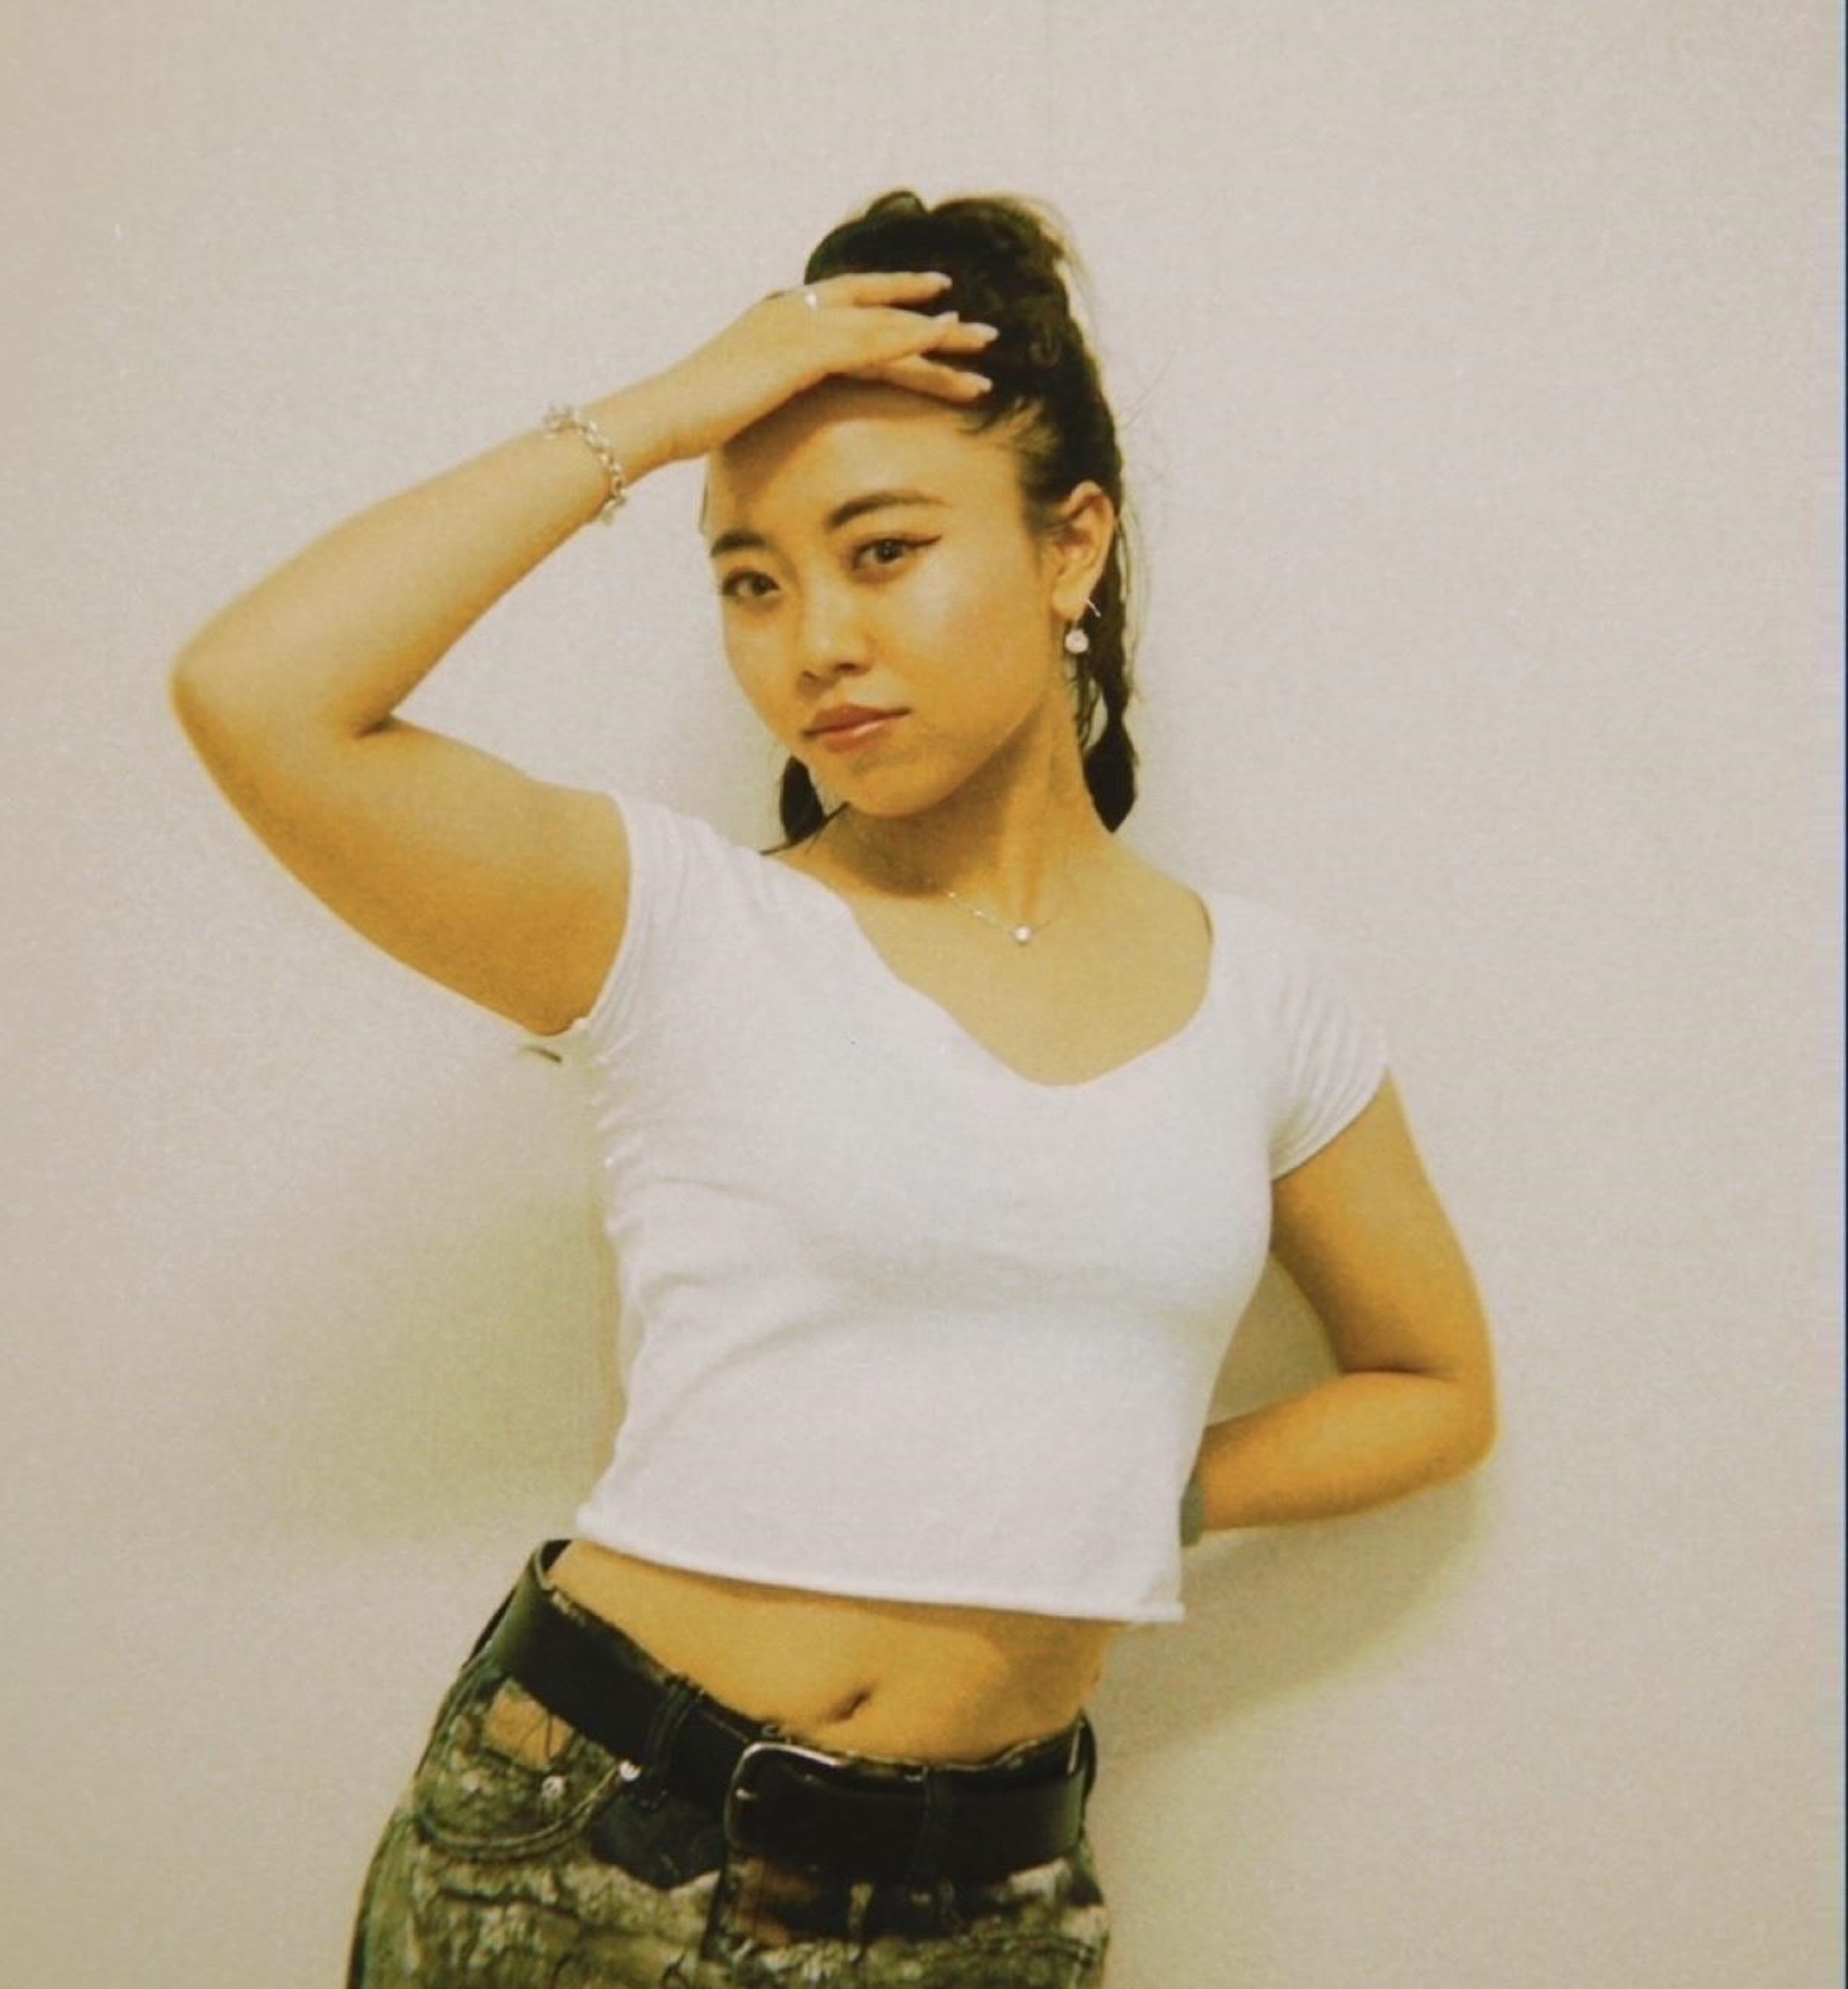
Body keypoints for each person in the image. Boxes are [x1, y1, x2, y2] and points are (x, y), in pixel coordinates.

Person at [171, 189, 1497, 1988]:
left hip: (992, 1905)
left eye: (883, 551)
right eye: (752, 579)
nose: (811, 642)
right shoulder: (674, 928)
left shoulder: (1267, 991)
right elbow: (256, 693)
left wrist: (1134, 1479)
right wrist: (674, 407)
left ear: (1071, 547)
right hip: (591, 1854)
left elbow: (1431, 1388)